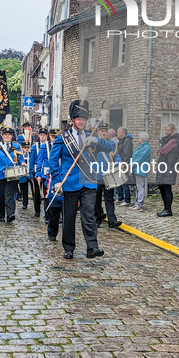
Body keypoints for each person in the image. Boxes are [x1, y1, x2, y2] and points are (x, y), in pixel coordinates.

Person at [49, 100, 110, 259]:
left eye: (83, 119)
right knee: (69, 216)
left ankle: (92, 247)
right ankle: (69, 248)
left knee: (89, 215)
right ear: (72, 120)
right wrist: (56, 179)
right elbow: (53, 160)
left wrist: (98, 141)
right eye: (78, 119)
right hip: (70, 183)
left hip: (88, 181)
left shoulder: (92, 136)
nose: (81, 122)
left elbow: (110, 147)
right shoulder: (63, 138)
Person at [0, 126, 26, 222]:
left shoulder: (16, 146)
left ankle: (10, 214)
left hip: (12, 174)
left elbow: (20, 158)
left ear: (12, 136)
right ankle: (0, 214)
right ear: (2, 135)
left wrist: (22, 163)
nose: (7, 136)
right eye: (5, 134)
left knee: (10, 194)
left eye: (9, 134)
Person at [93, 123, 122, 229]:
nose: (104, 133)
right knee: (97, 198)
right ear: (97, 132)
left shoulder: (111, 144)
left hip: (109, 175)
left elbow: (116, 156)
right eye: (101, 131)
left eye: (105, 131)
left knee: (109, 198)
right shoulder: (94, 144)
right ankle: (97, 218)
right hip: (97, 175)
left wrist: (119, 164)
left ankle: (112, 220)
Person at [36, 127, 62, 238]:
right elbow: (40, 160)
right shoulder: (45, 146)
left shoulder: (65, 145)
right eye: (52, 136)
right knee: (50, 198)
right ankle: (50, 224)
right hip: (51, 175)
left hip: (65, 176)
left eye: (56, 137)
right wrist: (38, 173)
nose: (54, 139)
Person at [156, 123, 179, 217]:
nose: (166, 132)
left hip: (169, 167)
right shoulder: (167, 140)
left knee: (166, 188)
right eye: (165, 130)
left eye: (168, 130)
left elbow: (163, 150)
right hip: (164, 166)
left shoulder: (173, 140)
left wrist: (160, 151)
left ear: (172, 131)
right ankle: (165, 208)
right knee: (161, 187)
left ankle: (168, 210)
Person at [130, 131, 151, 210]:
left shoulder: (146, 148)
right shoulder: (141, 146)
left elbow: (139, 159)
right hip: (137, 168)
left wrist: (131, 165)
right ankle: (137, 203)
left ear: (142, 139)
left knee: (140, 187)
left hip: (141, 168)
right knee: (138, 187)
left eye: (139, 137)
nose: (138, 139)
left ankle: (139, 203)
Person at [115, 127, 134, 206]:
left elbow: (127, 153)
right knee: (119, 181)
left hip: (124, 164)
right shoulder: (121, 140)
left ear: (122, 133)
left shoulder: (127, 141)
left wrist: (124, 163)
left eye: (118, 132)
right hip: (120, 163)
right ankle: (120, 197)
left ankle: (127, 200)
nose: (117, 134)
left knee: (124, 181)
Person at [28, 132, 42, 217]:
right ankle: (37, 210)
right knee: (36, 192)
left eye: (44, 135)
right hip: (36, 171)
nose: (43, 136)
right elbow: (31, 161)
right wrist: (30, 173)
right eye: (41, 135)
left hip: (47, 172)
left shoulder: (50, 145)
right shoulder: (34, 147)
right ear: (39, 136)